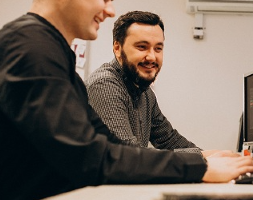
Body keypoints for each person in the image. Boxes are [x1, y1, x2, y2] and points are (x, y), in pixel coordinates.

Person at [0, 0, 253, 200]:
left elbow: (110, 147)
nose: (109, 11)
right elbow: (91, 158)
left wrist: (203, 159)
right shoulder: (30, 47)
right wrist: (199, 166)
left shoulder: (51, 52)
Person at [86, 11, 209, 155]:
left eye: (158, 48)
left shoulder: (145, 91)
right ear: (117, 49)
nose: (152, 57)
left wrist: (212, 156)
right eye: (142, 47)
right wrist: (202, 158)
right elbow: (128, 155)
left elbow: (169, 139)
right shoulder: (104, 85)